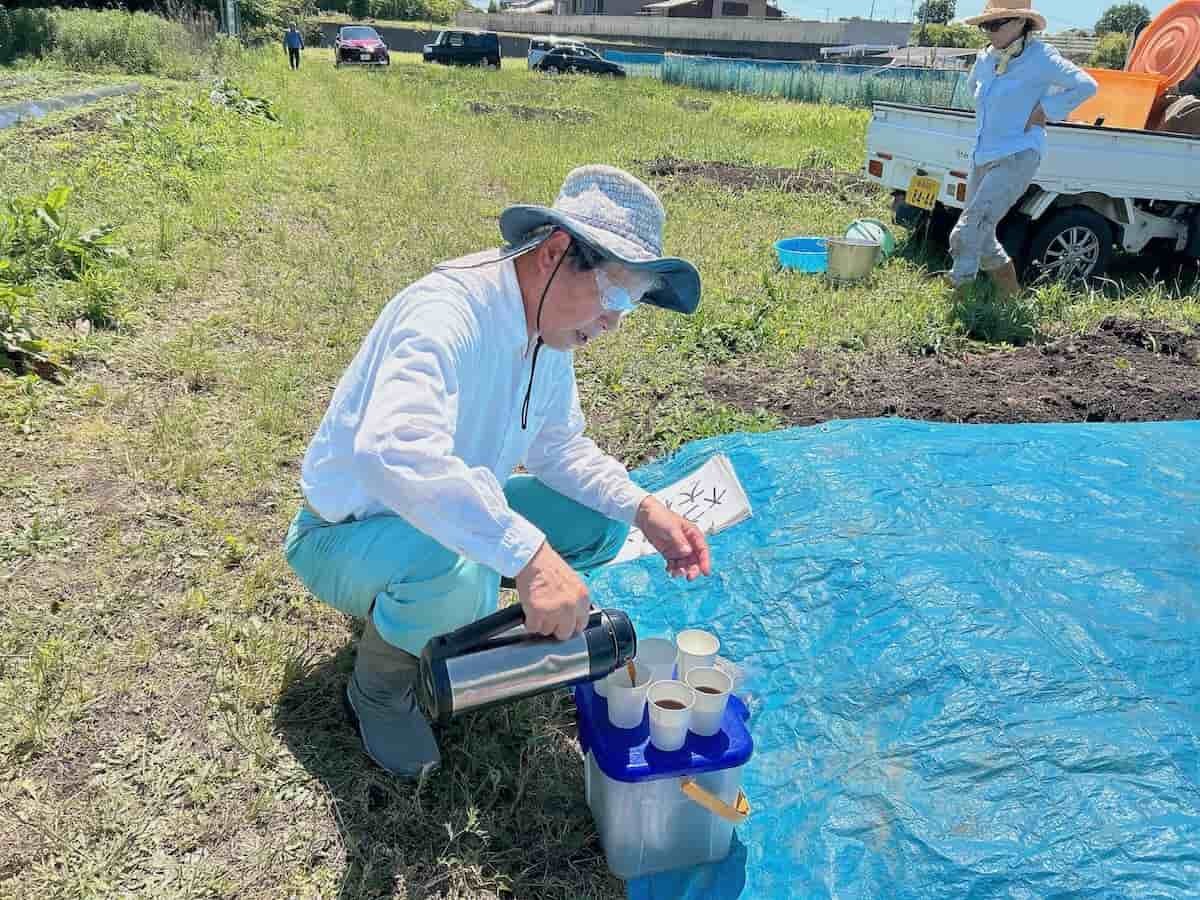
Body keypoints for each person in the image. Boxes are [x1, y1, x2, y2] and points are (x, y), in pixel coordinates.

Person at [285, 166, 713, 778]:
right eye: (615, 293)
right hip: (343, 534)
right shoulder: (446, 312)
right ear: (556, 252)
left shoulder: (544, 330)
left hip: (429, 517)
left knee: (599, 522)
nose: (615, 321)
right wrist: (529, 557)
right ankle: (380, 687)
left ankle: (439, 611)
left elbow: (560, 449)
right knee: (460, 570)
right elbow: (392, 447)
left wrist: (644, 508)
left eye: (632, 304)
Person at [949, 0, 1097, 298]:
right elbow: (973, 88)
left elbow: (1086, 85)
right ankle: (1012, 296)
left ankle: (959, 296)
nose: (988, 32)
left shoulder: (1041, 57)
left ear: (1019, 23)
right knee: (982, 233)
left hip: (1018, 153)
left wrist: (1046, 109)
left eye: (995, 25)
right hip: (983, 154)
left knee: (966, 230)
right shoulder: (986, 58)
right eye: (984, 26)